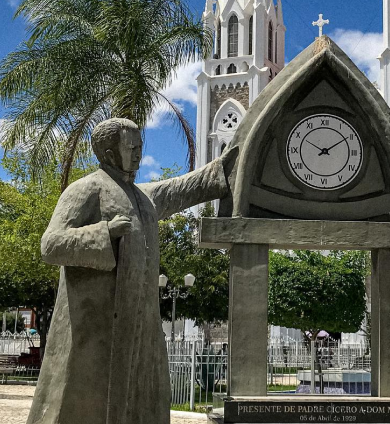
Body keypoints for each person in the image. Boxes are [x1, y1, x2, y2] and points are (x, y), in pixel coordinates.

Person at [26, 118, 238, 424]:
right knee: (84, 402)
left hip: (140, 325)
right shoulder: (86, 190)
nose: (139, 152)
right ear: (110, 153)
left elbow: (181, 189)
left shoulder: (141, 197)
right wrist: (104, 233)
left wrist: (226, 167)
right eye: (132, 147)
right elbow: (51, 245)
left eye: (141, 146)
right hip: (95, 326)